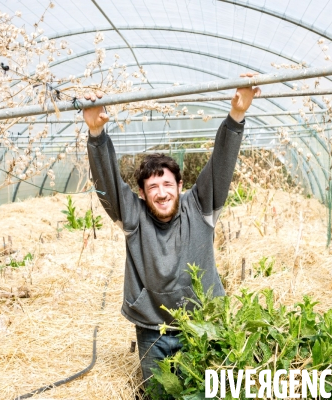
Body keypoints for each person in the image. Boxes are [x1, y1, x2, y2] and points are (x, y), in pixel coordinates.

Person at [83, 75, 261, 389]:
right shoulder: (133, 216)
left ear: (180, 186)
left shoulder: (201, 207)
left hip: (202, 325)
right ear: (141, 192)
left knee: (201, 392)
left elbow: (220, 164)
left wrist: (236, 118)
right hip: (152, 329)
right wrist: (97, 135)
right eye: (153, 187)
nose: (162, 193)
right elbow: (107, 187)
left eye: (168, 184)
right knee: (158, 392)